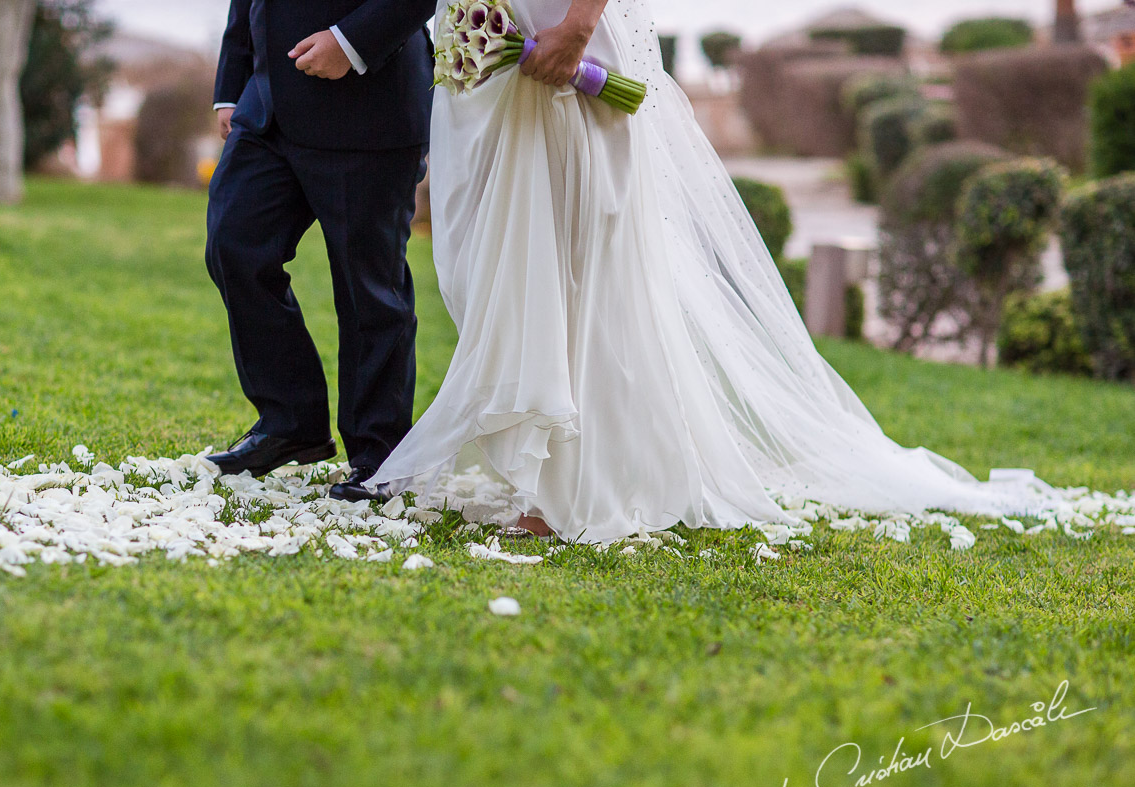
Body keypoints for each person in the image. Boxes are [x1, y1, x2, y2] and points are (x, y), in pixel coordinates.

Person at [367, 0, 1050, 543]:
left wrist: (579, 22)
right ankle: (548, 462)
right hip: (490, 57)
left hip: (561, 42)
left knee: (577, 259)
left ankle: (574, 483)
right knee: (503, 260)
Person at [204, 0, 436, 502]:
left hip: (369, 101)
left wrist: (351, 43)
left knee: (367, 287)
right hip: (266, 108)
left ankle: (380, 453)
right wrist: (232, 84)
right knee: (234, 245)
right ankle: (291, 422)